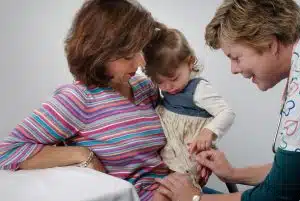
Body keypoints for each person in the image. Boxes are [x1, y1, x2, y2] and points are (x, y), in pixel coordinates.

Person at [155, 0, 300, 201]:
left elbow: (276, 196)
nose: (233, 69)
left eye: (236, 57)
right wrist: (233, 174)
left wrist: (194, 198)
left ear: (270, 43)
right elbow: (291, 174)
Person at [0, 0, 172, 200]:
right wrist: (81, 154)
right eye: (128, 56)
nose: (141, 62)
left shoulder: (146, 88)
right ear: (99, 52)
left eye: (141, 50)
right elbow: (9, 151)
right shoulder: (77, 100)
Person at [143, 28, 235, 190]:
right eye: (160, 82)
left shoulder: (199, 90)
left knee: (178, 191)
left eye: (173, 78)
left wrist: (209, 131)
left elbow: (227, 113)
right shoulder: (164, 89)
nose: (168, 87)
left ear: (190, 62)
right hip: (169, 156)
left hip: (188, 158)